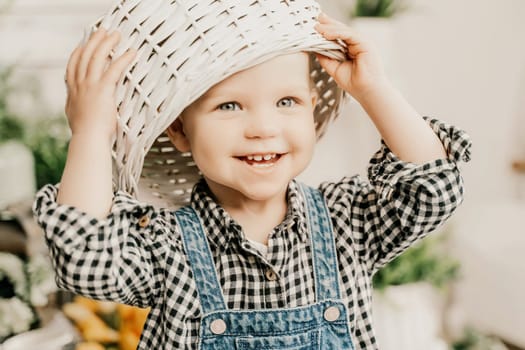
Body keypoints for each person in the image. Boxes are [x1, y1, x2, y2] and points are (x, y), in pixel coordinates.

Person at [33, 3, 471, 349]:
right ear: (181, 131)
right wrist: (91, 130)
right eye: (229, 106)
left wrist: (373, 88)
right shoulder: (166, 246)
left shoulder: (346, 223)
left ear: (312, 107)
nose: (263, 127)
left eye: (287, 101)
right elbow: (86, 257)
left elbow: (430, 190)